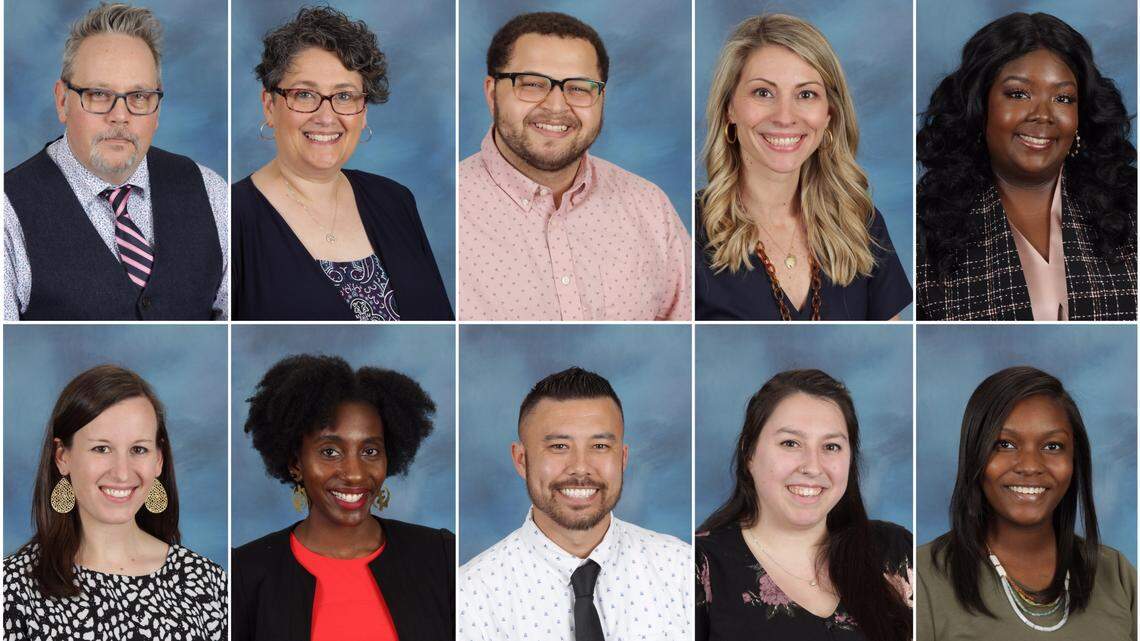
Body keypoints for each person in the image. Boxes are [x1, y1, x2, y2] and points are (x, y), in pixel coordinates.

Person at [458, 12, 691, 321]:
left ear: (601, 97)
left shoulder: (649, 207)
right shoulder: (449, 212)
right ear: (492, 93)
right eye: (532, 84)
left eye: (579, 88)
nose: (556, 106)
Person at [4, 2, 228, 321]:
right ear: (62, 101)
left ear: (157, 107)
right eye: (98, 94)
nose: (120, 116)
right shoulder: (7, 213)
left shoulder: (211, 193)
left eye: (138, 97)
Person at [233, 7, 452, 321]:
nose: (326, 116)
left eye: (345, 96)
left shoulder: (396, 201)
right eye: (305, 94)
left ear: (362, 111)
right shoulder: (228, 217)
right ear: (270, 106)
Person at [917, 12, 1137, 320]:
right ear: (980, 107)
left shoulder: (1130, 208)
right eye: (1018, 94)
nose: (1042, 115)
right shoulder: (925, 227)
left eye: (1063, 99)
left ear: (1081, 115)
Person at [697, 15, 911, 320]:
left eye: (806, 94)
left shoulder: (861, 225)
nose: (785, 116)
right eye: (763, 92)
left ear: (829, 116)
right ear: (730, 107)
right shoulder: (689, 234)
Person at [458, 367, 691, 640]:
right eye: (559, 446)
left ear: (623, 458)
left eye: (600, 446)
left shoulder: (681, 571)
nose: (581, 468)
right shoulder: (471, 596)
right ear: (521, 459)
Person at [233, 355, 453, 641]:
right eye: (330, 452)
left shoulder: (441, 556)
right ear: (295, 463)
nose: (355, 474)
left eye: (370, 451)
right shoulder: (245, 573)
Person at [3, 365, 227, 639]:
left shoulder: (207, 582)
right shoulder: (11, 590)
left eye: (138, 449)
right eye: (101, 448)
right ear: (62, 456)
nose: (122, 473)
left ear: (158, 459)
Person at [917, 366, 1136, 639]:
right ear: (975, 453)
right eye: (1005, 444)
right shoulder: (923, 577)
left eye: (1052, 446)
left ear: (1074, 460)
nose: (1031, 466)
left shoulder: (1116, 575)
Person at [696, 369, 912, 641]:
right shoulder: (698, 568)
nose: (812, 466)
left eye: (831, 447)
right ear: (748, 452)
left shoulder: (895, 551)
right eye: (790, 443)